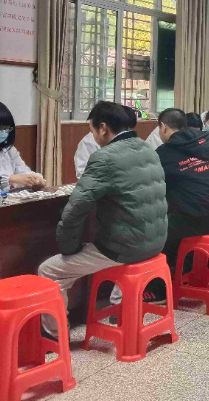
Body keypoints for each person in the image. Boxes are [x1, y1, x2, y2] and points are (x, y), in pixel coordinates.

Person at [38, 101, 168, 338]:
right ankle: (120, 308)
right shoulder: (148, 149)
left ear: (103, 128)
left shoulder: (104, 157)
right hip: (156, 242)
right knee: (120, 250)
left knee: (50, 270)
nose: (93, 136)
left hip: (127, 247)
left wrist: (69, 247)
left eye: (92, 129)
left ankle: (56, 335)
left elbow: (76, 209)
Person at [155, 108, 209, 273]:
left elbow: (154, 186)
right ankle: (192, 267)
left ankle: (163, 281)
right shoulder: (208, 142)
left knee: (155, 230)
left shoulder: (164, 152)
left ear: (163, 127)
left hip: (197, 220)